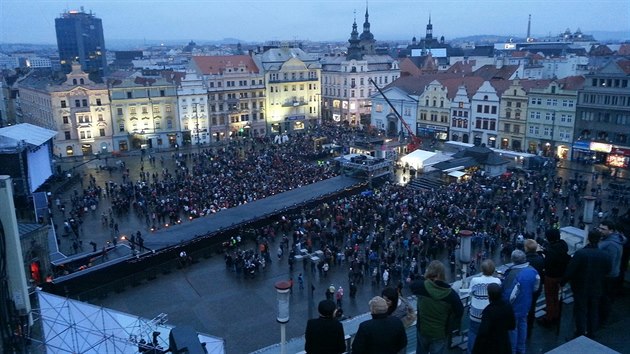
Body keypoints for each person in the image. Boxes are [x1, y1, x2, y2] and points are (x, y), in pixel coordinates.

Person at [563, 230, 611, 338]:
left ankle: (580, 332)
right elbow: (608, 270)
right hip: (597, 287)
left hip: (581, 287)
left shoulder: (581, 253)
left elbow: (570, 271)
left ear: (588, 238)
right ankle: (591, 332)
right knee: (593, 310)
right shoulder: (605, 255)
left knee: (581, 310)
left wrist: (563, 281)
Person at [410, 260, 464, 354]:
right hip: (440, 333)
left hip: (423, 330)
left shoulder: (421, 287)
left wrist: (425, 277)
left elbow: (412, 285)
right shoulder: (451, 294)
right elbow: (459, 312)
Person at [501, 249, 540, 354]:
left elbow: (511, 295)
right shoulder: (532, 270)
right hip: (526, 303)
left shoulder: (513, 274)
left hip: (514, 308)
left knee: (513, 328)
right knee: (523, 324)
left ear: (513, 260)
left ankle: (512, 350)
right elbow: (536, 287)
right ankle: (521, 349)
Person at [466, 259, 501, 354]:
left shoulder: (475, 280)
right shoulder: (497, 281)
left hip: (476, 314)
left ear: (482, 269)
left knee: (473, 333)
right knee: (489, 335)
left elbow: (470, 293)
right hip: (491, 315)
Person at [597, 219, 627, 325]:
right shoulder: (615, 240)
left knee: (605, 297)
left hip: (608, 276)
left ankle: (602, 319)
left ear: (611, 230)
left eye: (603, 229)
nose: (600, 230)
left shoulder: (611, 245)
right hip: (612, 274)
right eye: (600, 228)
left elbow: (609, 263)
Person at [472, 283, 515, 354]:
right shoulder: (508, 306)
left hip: (491, 345)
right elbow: (512, 325)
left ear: (489, 296)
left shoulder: (488, 311)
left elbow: (483, 332)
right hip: (504, 342)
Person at [539, 228, 570, 327]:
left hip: (551, 276)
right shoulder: (563, 245)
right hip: (561, 275)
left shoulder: (550, 250)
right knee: (555, 295)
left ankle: (549, 317)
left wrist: (542, 253)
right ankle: (556, 313)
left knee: (550, 297)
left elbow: (547, 263)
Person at [523, 239, 545, 338]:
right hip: (537, 288)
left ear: (526, 248)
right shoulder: (540, 259)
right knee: (532, 308)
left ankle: (523, 328)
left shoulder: (524, 261)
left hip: (525, 288)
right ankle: (529, 328)